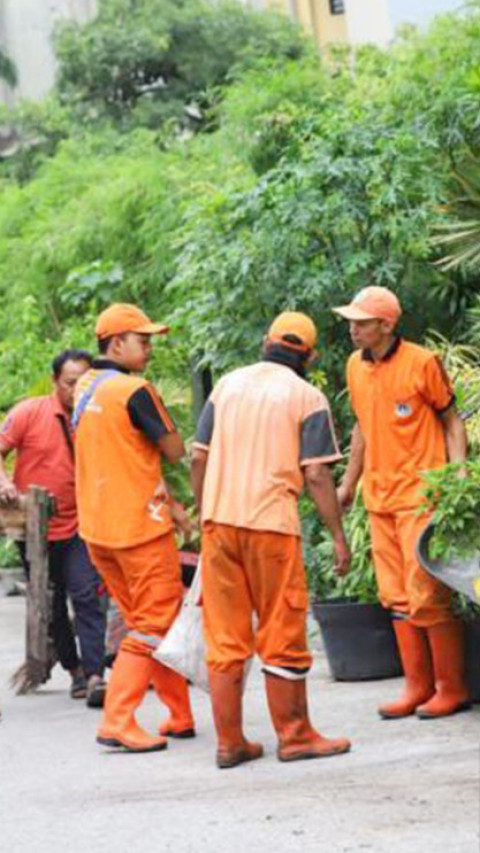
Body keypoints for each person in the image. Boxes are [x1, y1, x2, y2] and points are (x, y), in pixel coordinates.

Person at [191, 311, 351, 769]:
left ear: (266, 341)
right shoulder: (307, 396)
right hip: (271, 526)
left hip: (219, 523)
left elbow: (198, 460)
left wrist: (206, 514)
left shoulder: (227, 385)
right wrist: (338, 536)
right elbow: (318, 473)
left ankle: (230, 742)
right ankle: (295, 735)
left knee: (225, 637)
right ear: (310, 355)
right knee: (281, 629)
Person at [333, 286, 469, 719]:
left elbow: (451, 420)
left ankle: (451, 688)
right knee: (394, 596)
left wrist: (457, 474)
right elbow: (362, 428)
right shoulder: (355, 366)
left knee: (426, 595)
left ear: (386, 325)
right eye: (351, 321)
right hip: (380, 498)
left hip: (420, 497)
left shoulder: (421, 363)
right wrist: (348, 484)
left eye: (361, 322)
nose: (352, 329)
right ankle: (417, 688)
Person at [74, 303, 194, 753]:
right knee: (152, 622)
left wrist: (174, 503)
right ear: (116, 342)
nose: (148, 350)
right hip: (139, 530)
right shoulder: (134, 390)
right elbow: (174, 449)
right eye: (142, 342)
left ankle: (178, 714)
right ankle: (118, 720)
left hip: (99, 531)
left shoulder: (85, 387)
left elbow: (126, 456)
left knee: (152, 621)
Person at [0, 349, 106, 707]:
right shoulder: (29, 413)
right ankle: (74, 669)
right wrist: (3, 484)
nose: (77, 390)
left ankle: (95, 676)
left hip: (81, 524)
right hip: (36, 530)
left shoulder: (97, 416)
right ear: (54, 382)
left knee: (87, 593)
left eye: (84, 383)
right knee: (52, 604)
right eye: (70, 383)